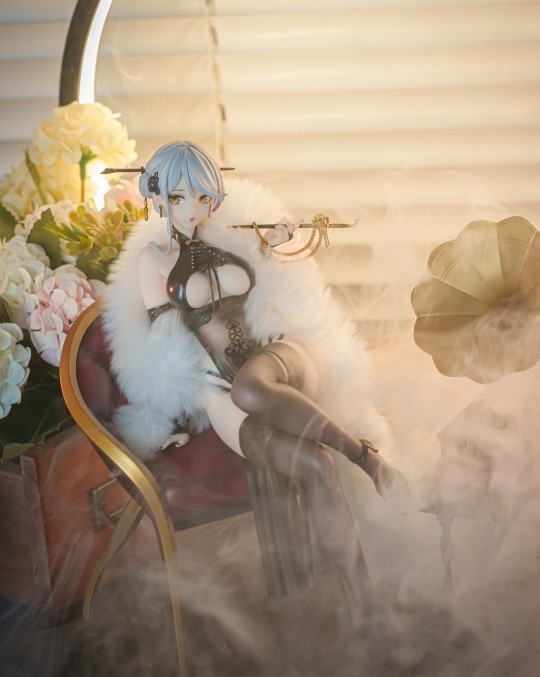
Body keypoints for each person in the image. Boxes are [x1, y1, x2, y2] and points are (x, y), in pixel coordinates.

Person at [104, 140, 408, 608]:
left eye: (202, 195)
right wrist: (179, 411)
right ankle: (367, 607)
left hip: (276, 356)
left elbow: (277, 284)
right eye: (179, 196)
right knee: (317, 466)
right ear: (158, 194)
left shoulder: (230, 238)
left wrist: (279, 247)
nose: (192, 207)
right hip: (223, 390)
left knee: (252, 386)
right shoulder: (153, 260)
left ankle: (365, 458)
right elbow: (165, 346)